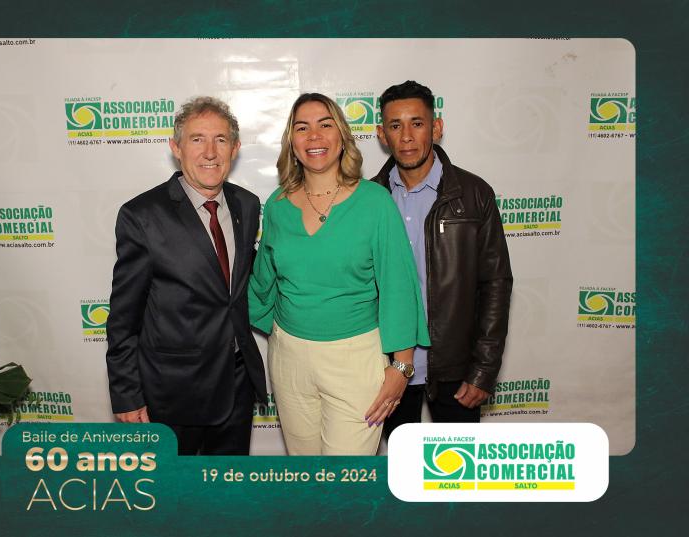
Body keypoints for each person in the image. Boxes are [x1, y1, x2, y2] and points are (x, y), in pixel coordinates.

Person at [248, 93, 429, 456]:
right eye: (302, 128)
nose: (314, 136)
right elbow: (262, 283)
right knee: (305, 475)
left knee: (345, 479)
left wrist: (402, 366)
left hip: (356, 359)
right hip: (289, 359)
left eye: (325, 125)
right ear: (292, 142)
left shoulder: (374, 202)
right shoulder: (278, 205)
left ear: (342, 137)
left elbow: (398, 286)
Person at [105, 96, 267, 455]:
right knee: (172, 488)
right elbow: (123, 318)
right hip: (173, 393)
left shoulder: (247, 204)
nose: (210, 152)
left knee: (229, 485)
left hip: (237, 384)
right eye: (197, 139)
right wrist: (127, 394)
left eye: (220, 140)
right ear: (176, 147)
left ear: (235, 148)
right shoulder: (141, 215)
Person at [372, 80, 513, 436]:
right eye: (395, 125)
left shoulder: (474, 194)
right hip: (385, 367)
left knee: (458, 467)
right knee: (397, 465)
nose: (406, 136)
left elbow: (496, 284)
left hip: (456, 370)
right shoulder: (368, 199)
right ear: (382, 135)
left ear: (436, 128)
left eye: (417, 123)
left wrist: (483, 369)